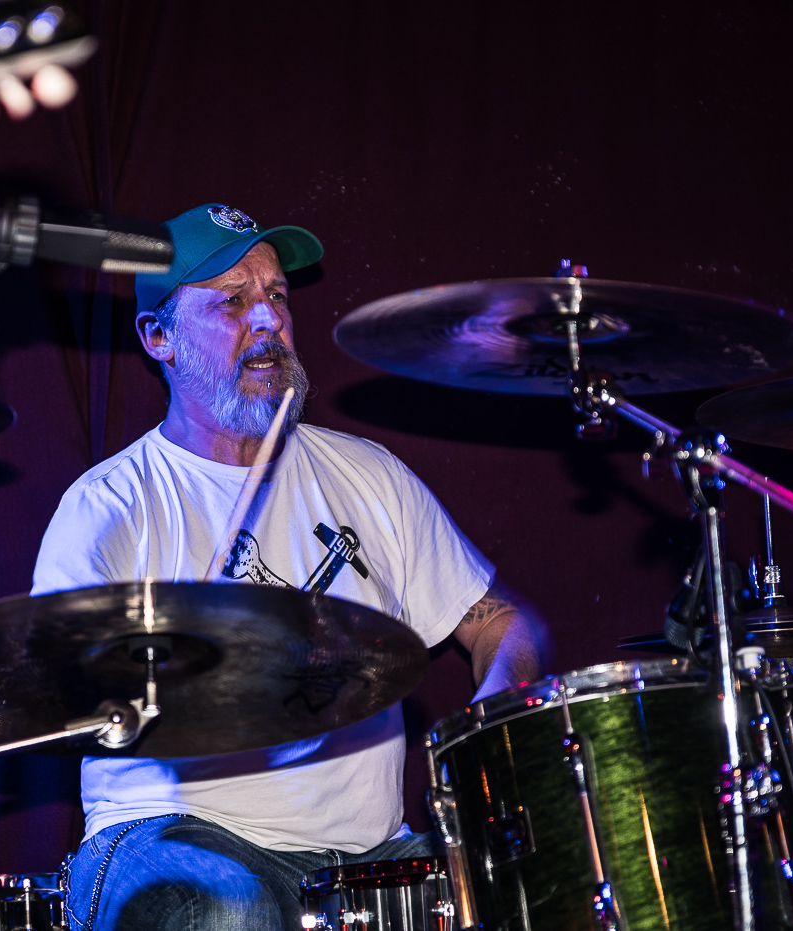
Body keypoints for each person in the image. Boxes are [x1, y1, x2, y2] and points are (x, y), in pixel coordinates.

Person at [32, 203, 549, 931]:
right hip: (170, 835)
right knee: (227, 907)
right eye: (231, 302)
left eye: (276, 294)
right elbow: (66, 690)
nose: (268, 319)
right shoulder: (111, 505)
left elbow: (500, 621)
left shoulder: (370, 475)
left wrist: (488, 730)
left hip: (363, 857)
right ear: (159, 338)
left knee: (529, 880)